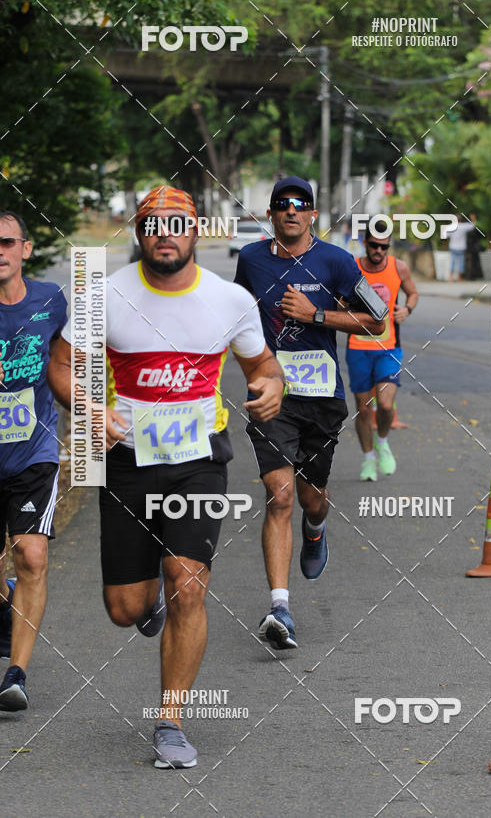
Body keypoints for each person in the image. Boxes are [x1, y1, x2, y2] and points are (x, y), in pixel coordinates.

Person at [48, 185, 284, 769]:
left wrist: (271, 387)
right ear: (138, 232)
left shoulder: (230, 300)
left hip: (200, 460)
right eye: (153, 225)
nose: (165, 235)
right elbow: (62, 364)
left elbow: (262, 364)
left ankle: (170, 721)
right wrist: (91, 408)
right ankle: (144, 597)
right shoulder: (105, 296)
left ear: (196, 231)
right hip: (126, 462)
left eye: (177, 225)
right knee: (124, 609)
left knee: (188, 582)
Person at [234, 176, 386, 651]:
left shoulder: (336, 262)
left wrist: (316, 315)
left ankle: (316, 528)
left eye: (300, 205)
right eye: (282, 204)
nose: (291, 211)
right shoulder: (251, 260)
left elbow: (377, 319)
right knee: (278, 496)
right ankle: (280, 607)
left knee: (310, 497)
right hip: (271, 396)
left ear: (313, 214)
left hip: (321, 398)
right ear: (272, 213)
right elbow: (238, 317)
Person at [0, 209, 68, 711]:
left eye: (6, 243)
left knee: (32, 556)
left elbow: (68, 365)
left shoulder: (51, 300)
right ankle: (7, 606)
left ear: (25, 249)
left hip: (34, 452)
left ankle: (15, 675)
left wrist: (91, 414)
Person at [346, 221, 418, 481]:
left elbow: (413, 293)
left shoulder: (399, 267)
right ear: (366, 243)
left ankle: (383, 441)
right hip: (357, 347)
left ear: (389, 246)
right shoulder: (352, 268)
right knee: (363, 409)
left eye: (383, 246)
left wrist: (406, 309)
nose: (378, 250)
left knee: (386, 406)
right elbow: (338, 298)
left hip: (389, 347)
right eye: (374, 245)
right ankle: (368, 460)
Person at [447, 214, 477, 281]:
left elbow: (446, 235)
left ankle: (451, 277)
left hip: (453, 246)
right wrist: (473, 219)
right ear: (461, 220)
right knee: (461, 262)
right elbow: (473, 225)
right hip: (461, 247)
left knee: (453, 262)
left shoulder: (451, 227)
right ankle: (459, 277)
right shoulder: (464, 226)